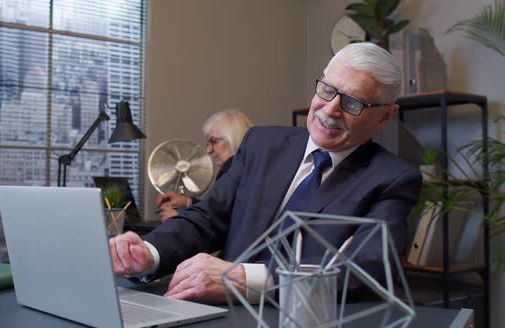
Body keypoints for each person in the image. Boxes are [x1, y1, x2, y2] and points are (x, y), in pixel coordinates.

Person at [109, 42, 422, 304]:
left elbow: (367, 271)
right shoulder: (261, 144)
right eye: (327, 89)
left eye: (352, 103)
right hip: (214, 314)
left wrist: (244, 278)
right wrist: (149, 252)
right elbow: (207, 218)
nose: (330, 109)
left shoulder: (391, 179)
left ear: (385, 117)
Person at [156, 110, 253, 222]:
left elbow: (219, 223)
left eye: (214, 141)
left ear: (234, 139)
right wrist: (187, 202)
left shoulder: (233, 173)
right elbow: (217, 210)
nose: (208, 150)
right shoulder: (243, 169)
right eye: (208, 143)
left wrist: (179, 218)